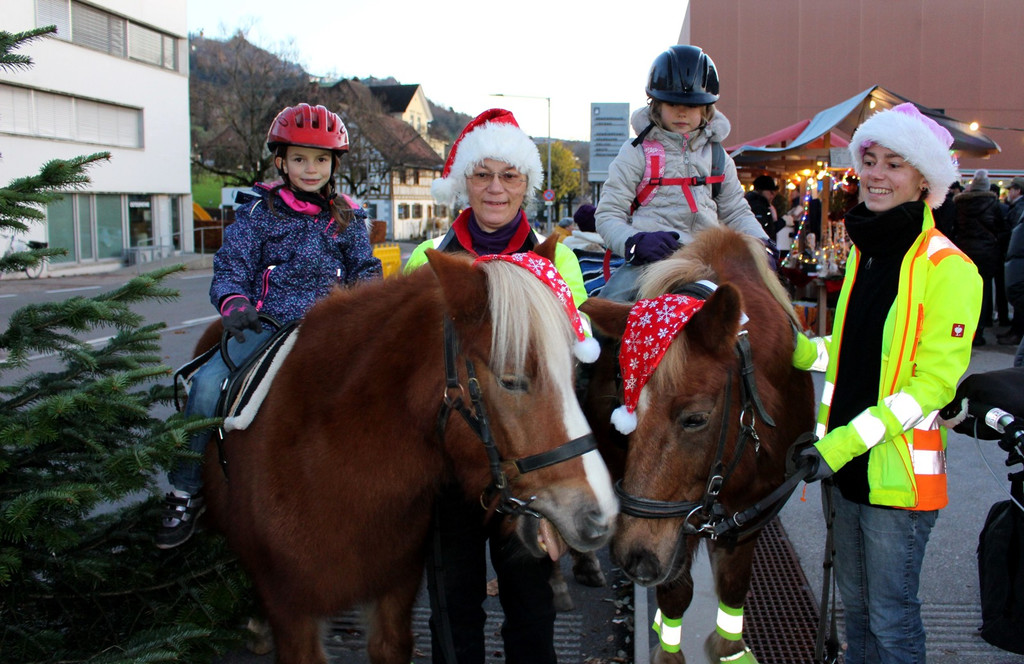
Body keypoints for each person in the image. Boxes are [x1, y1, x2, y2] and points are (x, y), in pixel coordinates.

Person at [792, 102, 982, 664]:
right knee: (857, 614)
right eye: (869, 160)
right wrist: (796, 347)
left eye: (893, 164)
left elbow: (933, 387)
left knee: (891, 621)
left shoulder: (951, 269)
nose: (875, 174)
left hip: (897, 481)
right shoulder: (865, 256)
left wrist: (842, 443)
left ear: (925, 179)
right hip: (845, 466)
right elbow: (853, 355)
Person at [404, 108, 593, 664]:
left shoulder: (557, 260)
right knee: (453, 616)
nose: (494, 188)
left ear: (527, 186)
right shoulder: (429, 260)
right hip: (450, 474)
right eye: (483, 174)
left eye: (509, 176)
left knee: (531, 616)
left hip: (526, 475)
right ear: (464, 181)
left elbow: (569, 379)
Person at [156, 103, 382, 549]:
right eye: (299, 158)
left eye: (320, 159)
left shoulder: (349, 221)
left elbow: (365, 271)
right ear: (281, 162)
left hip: (328, 330)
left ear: (334, 165)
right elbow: (231, 265)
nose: (310, 168)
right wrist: (234, 300)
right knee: (206, 385)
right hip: (264, 325)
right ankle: (185, 490)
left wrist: (370, 306)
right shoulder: (258, 214)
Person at [594, 44, 768, 301]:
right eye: (672, 103)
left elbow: (736, 211)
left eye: (693, 105)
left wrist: (762, 245)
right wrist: (635, 242)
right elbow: (608, 214)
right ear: (655, 103)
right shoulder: (635, 152)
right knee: (602, 317)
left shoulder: (719, 156)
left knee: (775, 319)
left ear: (706, 108)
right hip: (650, 265)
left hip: (712, 261)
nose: (682, 112)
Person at [953, 168, 1009, 345]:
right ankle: (980, 330)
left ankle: (962, 329)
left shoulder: (959, 205)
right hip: (987, 254)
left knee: (964, 292)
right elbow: (1003, 229)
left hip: (964, 252)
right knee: (984, 291)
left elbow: (953, 227)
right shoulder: (996, 205)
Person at [745, 174, 803, 247]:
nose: (772, 196)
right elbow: (764, 231)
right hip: (757, 248)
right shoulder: (758, 206)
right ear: (761, 190)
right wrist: (782, 221)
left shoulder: (760, 204)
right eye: (771, 192)